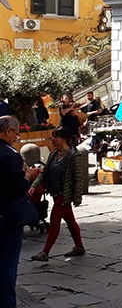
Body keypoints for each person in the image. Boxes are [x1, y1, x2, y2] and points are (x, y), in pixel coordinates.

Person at [1, 116, 42, 307]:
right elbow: (17, 188)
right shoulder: (10, 155)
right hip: (7, 216)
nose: (16, 138)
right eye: (16, 134)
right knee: (7, 264)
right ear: (7, 131)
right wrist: (28, 176)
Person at [30, 126, 87, 262]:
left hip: (64, 195)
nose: (52, 139)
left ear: (64, 139)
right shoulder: (54, 154)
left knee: (54, 222)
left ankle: (45, 252)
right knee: (70, 221)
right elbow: (44, 172)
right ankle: (79, 247)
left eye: (55, 136)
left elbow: (78, 178)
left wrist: (77, 197)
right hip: (55, 194)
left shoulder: (74, 155)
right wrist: (34, 185)